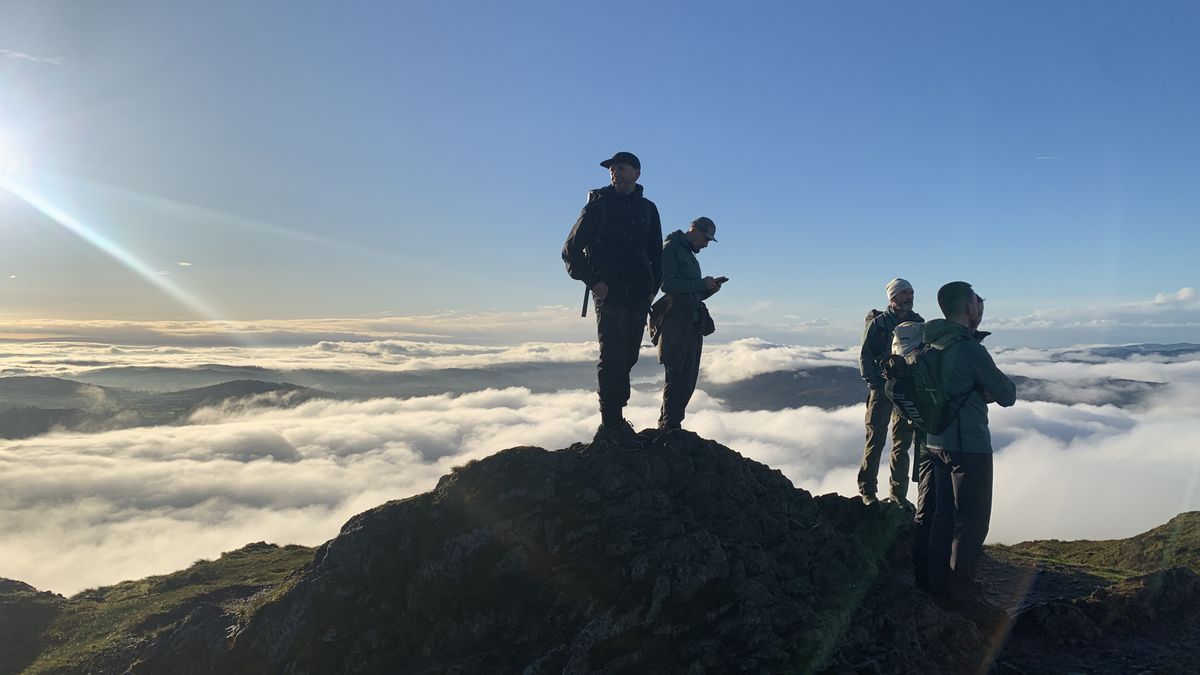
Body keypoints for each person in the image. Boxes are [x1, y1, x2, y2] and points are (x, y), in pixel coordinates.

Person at [923, 281, 1016, 607]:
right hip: (969, 445)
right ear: (968, 308)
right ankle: (961, 595)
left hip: (934, 441)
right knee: (972, 522)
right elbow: (1007, 394)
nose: (982, 308)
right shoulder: (968, 348)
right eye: (979, 302)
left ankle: (937, 588)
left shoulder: (927, 341)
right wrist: (981, 390)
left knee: (942, 518)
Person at [562, 151, 663, 441]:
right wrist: (594, 282)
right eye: (611, 170)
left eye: (620, 168)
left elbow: (656, 252)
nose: (614, 174)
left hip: (639, 293)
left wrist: (652, 288)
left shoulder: (648, 209)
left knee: (629, 354)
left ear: (637, 173)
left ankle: (618, 415)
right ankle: (611, 421)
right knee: (612, 354)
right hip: (610, 292)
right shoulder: (598, 207)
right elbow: (570, 251)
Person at [857, 278, 924, 506]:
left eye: (911, 293)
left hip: (906, 390)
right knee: (875, 439)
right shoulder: (879, 323)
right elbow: (865, 355)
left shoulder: (919, 323)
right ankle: (868, 491)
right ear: (893, 297)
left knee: (902, 443)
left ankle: (898, 495)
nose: (910, 297)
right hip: (883, 388)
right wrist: (875, 385)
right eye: (905, 293)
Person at [652, 217, 724, 430]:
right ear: (693, 230)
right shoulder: (671, 249)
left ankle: (672, 425)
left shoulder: (688, 254)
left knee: (687, 378)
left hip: (690, 322)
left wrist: (707, 290)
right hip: (676, 323)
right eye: (705, 238)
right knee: (677, 376)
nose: (706, 244)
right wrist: (702, 283)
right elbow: (667, 284)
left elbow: (690, 294)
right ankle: (668, 427)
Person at [889, 321, 934, 592]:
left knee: (902, 450)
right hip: (934, 438)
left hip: (911, 421)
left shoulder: (895, 377)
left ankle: (901, 497)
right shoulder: (921, 364)